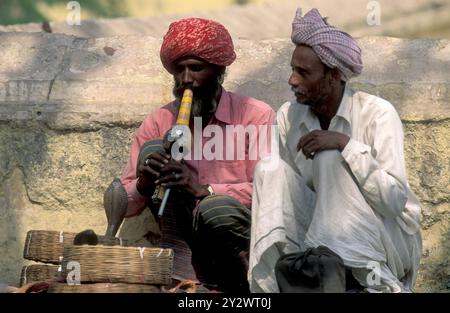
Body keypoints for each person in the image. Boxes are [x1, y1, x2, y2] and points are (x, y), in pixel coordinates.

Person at [249, 8, 422, 293]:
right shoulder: (288, 117)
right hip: (315, 238)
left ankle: (366, 285)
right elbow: (287, 200)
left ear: (334, 75)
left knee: (329, 157)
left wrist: (345, 145)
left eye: (303, 72)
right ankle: (275, 287)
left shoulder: (378, 113)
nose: (292, 80)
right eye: (293, 69)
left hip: (385, 240)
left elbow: (393, 202)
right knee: (269, 167)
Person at [120, 17, 275, 292]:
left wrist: (204, 189)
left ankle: (240, 286)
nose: (186, 79)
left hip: (238, 242)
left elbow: (272, 192)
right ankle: (185, 280)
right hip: (182, 236)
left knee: (214, 208)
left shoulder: (256, 116)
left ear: (219, 70)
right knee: (154, 149)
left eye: (196, 68)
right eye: (179, 70)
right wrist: (145, 181)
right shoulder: (159, 121)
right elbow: (126, 206)